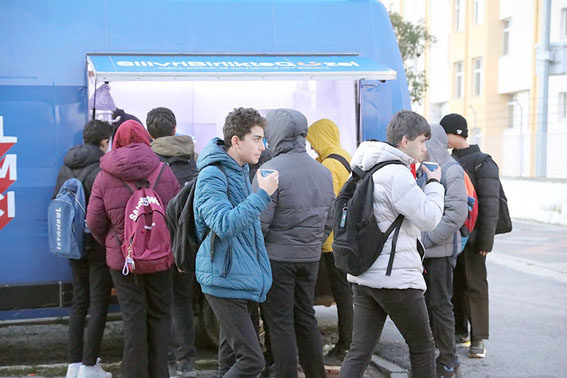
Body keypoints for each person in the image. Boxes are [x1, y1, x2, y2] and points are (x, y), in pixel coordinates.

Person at [339, 110, 444, 378]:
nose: (424, 147)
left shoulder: (366, 168)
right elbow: (429, 218)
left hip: (365, 275)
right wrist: (434, 185)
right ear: (405, 140)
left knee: (359, 350)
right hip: (396, 280)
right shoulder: (396, 173)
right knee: (422, 347)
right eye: (422, 141)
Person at [87, 120, 180, 378]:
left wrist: (114, 242)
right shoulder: (163, 170)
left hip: (124, 261)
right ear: (146, 139)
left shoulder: (105, 175)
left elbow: (94, 221)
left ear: (115, 141)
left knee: (133, 318)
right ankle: (160, 373)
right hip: (160, 257)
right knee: (161, 315)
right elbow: (177, 213)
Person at [193, 107, 278, 378]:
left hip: (239, 279)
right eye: (256, 139)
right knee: (252, 361)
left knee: (229, 360)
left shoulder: (240, 170)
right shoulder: (213, 174)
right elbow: (224, 224)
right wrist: (262, 195)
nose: (262, 146)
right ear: (236, 141)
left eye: (263, 139)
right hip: (224, 279)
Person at [253, 109, 334, 378]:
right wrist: (313, 242)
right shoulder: (322, 171)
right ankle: (315, 373)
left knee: (280, 323)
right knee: (306, 318)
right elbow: (329, 218)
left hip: (277, 259)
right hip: (310, 257)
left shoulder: (270, 170)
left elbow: (260, 223)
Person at [53, 120, 113, 378]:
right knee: (98, 303)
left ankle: (73, 365)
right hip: (96, 245)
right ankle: (89, 367)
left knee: (79, 301)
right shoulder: (102, 167)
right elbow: (105, 210)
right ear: (103, 142)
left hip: (72, 243)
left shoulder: (66, 166)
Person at [440, 113, 500, 359]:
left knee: (475, 286)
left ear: (456, 133)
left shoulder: (482, 162)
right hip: (454, 236)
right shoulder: (448, 160)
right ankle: (459, 331)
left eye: (444, 133)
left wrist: (486, 241)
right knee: (455, 284)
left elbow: (490, 205)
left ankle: (478, 339)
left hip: (474, 240)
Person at [146, 107, 198, 378]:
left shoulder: (148, 162)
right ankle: (186, 362)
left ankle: (163, 359)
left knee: (160, 302)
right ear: (175, 129)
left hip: (157, 244)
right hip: (188, 243)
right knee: (183, 301)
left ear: (149, 133)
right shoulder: (195, 159)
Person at [418, 124, 468, 377]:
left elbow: (457, 214)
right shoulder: (421, 169)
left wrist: (426, 241)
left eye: (425, 141)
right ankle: (432, 360)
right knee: (424, 308)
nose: (422, 147)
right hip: (423, 254)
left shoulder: (451, 170)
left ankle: (449, 361)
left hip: (440, 253)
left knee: (440, 307)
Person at [305, 118, 354, 365]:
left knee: (342, 294)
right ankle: (349, 344)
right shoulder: (343, 156)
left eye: (314, 142)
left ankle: (346, 345)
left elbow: (328, 202)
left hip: (332, 240)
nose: (313, 148)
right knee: (345, 294)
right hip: (344, 237)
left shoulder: (330, 164)